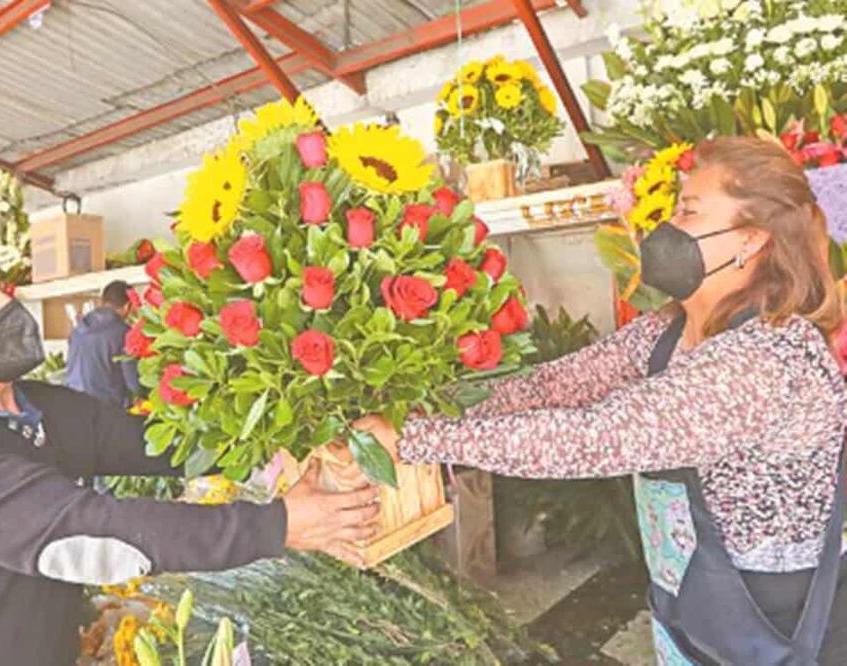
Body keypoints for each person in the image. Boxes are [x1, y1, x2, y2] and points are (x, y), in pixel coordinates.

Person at [359, 137, 847, 664]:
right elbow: (554, 386)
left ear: (750, 241)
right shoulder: (672, 330)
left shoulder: (769, 356)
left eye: (688, 210)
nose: (666, 227)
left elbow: (595, 437)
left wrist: (417, 439)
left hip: (773, 619)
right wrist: (436, 407)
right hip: (695, 599)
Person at [0, 231, 380, 666]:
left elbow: (161, 444)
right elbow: (92, 532)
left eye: (2, 288)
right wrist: (281, 524)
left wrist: (298, 427)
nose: (10, 303)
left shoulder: (35, 405)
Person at [64, 279, 139, 406]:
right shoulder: (123, 332)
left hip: (74, 405)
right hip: (104, 411)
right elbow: (133, 382)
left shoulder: (78, 330)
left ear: (102, 301)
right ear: (127, 306)